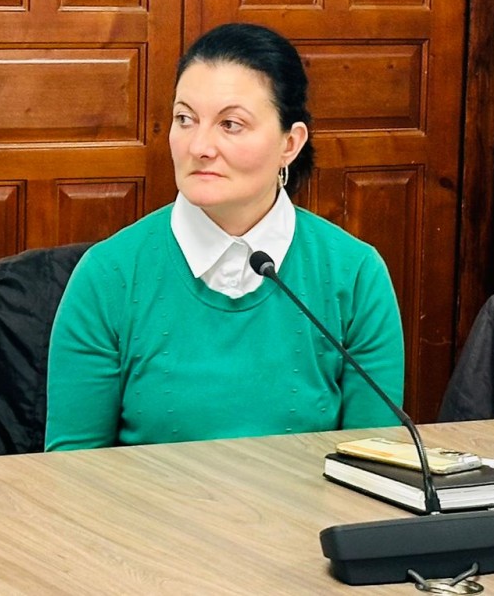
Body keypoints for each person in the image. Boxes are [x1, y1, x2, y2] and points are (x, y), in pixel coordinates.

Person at [45, 23, 405, 450]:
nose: (199, 146)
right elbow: (72, 469)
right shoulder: (108, 276)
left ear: (290, 144)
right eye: (185, 119)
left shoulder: (355, 274)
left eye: (230, 124)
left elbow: (372, 464)